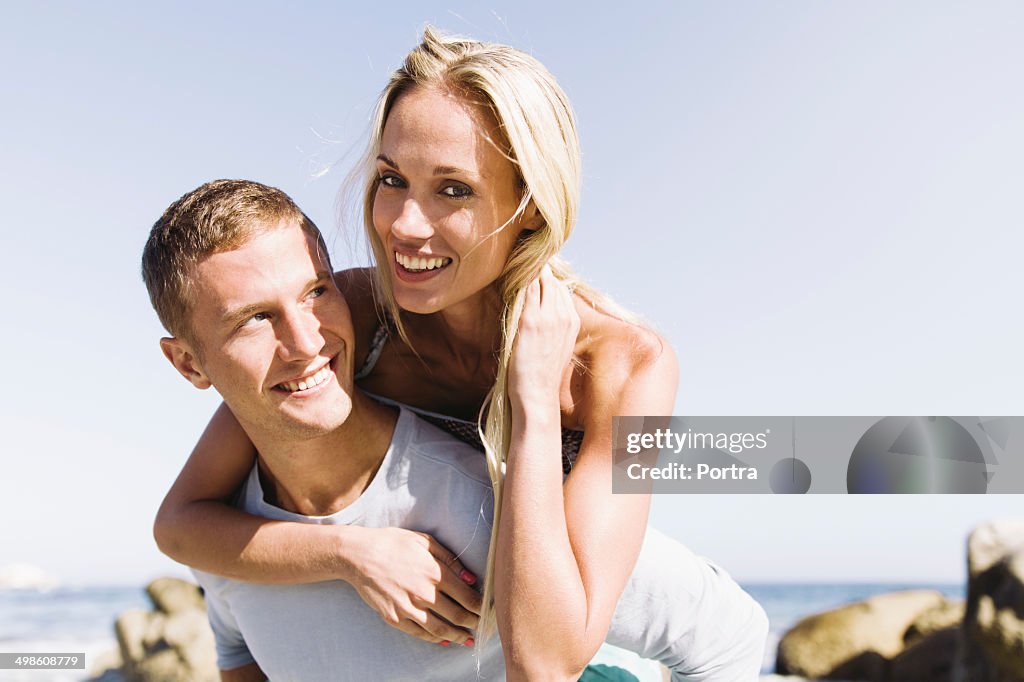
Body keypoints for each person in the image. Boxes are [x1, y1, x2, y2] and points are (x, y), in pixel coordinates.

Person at [154, 29, 768, 680]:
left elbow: (546, 664)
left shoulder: (629, 366)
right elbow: (182, 524)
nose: (403, 226)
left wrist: (531, 405)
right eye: (393, 179)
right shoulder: (354, 314)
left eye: (453, 190)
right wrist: (354, 554)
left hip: (640, 634)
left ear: (528, 205)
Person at [143, 179, 505, 680]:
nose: (304, 340)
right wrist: (350, 551)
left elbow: (644, 627)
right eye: (254, 319)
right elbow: (179, 534)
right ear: (187, 364)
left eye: (315, 292)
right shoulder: (226, 542)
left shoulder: (490, 501)